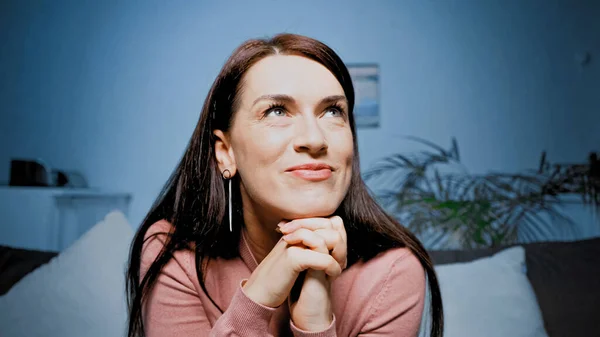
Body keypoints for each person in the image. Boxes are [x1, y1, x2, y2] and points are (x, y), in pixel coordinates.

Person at [126, 33, 443, 337]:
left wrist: (315, 324)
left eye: (332, 111)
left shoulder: (392, 272)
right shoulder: (172, 254)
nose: (314, 139)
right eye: (276, 111)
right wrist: (257, 299)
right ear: (226, 152)